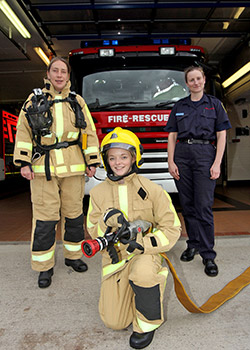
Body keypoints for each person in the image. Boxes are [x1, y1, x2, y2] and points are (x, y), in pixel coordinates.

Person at [86, 127, 181, 349]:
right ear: (105, 161)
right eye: (112, 158)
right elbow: (92, 230)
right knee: (115, 321)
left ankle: (147, 324)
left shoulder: (153, 190)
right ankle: (131, 294)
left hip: (144, 253)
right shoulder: (98, 193)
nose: (118, 163)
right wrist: (105, 222)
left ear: (134, 157)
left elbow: (172, 228)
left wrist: (144, 244)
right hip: (115, 259)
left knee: (144, 273)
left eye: (123, 157)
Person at [14, 57, 101, 288]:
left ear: (68, 75)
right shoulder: (34, 100)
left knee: (74, 216)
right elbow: (23, 132)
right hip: (44, 169)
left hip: (73, 168)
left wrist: (92, 160)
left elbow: (89, 133)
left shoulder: (77, 101)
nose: (60, 75)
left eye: (63, 71)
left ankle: (73, 257)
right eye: (56, 71)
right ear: (48, 73)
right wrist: (23, 162)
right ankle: (44, 267)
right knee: (45, 219)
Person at [164, 65, 231, 277]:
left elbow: (221, 135)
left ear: (204, 80)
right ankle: (192, 244)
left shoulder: (214, 105)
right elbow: (172, 136)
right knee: (188, 205)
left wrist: (217, 163)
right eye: (191, 80)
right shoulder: (179, 106)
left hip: (205, 154)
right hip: (182, 155)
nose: (195, 82)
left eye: (198, 79)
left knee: (203, 206)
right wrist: (171, 161)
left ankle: (208, 255)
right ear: (186, 84)